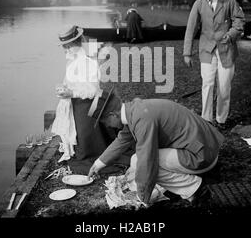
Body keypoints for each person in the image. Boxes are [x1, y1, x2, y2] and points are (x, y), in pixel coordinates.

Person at [87, 88, 224, 205]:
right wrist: (98, 164)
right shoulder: (134, 110)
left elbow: (147, 161)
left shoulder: (142, 120)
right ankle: (186, 182)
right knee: (139, 162)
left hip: (202, 156)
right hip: (203, 147)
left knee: (138, 161)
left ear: (113, 115)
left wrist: (142, 196)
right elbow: (122, 140)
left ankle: (194, 188)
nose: (108, 126)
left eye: (105, 122)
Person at [51, 25, 126, 173]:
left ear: (76, 44)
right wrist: (65, 89)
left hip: (87, 106)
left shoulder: (87, 62)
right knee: (80, 144)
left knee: (86, 151)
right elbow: (74, 82)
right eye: (64, 47)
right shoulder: (74, 60)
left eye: (68, 46)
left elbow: (92, 90)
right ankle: (86, 147)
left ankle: (94, 151)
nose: (66, 50)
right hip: (77, 105)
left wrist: (71, 93)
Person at [183, 0, 245, 130]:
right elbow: (191, 29)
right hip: (206, 50)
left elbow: (239, 21)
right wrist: (187, 53)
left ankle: (221, 119)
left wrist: (231, 35)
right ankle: (207, 120)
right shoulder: (198, 4)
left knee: (224, 86)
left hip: (226, 49)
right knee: (208, 84)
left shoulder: (229, 0)